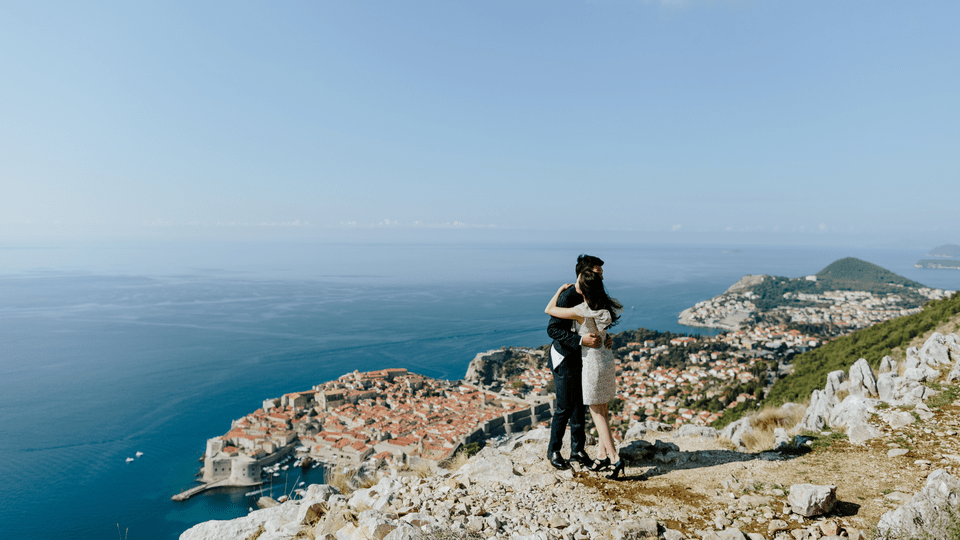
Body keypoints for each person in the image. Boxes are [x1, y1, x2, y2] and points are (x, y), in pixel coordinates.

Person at [545, 268, 625, 479]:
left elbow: (549, 309)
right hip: (593, 358)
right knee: (570, 407)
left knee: (588, 408)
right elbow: (552, 330)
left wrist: (556, 291)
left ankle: (597, 454)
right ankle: (557, 451)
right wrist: (586, 339)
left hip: (590, 362)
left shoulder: (582, 309)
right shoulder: (604, 306)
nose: (575, 285)